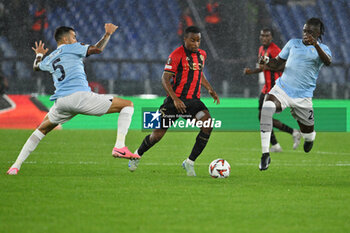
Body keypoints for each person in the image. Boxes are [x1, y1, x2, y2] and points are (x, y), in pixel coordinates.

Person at [7, 23, 140, 175]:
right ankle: (119, 146)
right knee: (127, 105)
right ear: (65, 38)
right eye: (74, 37)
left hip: (62, 102)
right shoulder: (71, 48)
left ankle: (15, 167)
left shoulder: (50, 57)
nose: (76, 40)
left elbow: (36, 66)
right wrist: (107, 34)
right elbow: (97, 49)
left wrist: (39, 54)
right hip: (80, 97)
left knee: (41, 130)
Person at [128, 26, 220, 176]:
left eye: (198, 40)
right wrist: (175, 99)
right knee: (157, 136)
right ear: (185, 39)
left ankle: (189, 162)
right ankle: (136, 155)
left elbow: (198, 73)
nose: (196, 44)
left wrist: (210, 89)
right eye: (192, 40)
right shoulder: (176, 55)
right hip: (174, 103)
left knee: (207, 125)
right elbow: (165, 79)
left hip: (193, 103)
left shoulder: (202, 55)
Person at [258, 18, 332, 171]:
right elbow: (277, 63)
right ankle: (265, 154)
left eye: (310, 32)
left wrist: (315, 45)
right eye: (305, 31)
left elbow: (328, 62)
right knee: (266, 109)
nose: (306, 34)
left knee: (308, 134)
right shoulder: (293, 43)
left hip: (303, 98)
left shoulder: (323, 48)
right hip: (282, 90)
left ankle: (309, 138)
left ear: (317, 34)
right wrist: (266, 61)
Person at [244, 28, 301, 152]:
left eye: (267, 36)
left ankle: (284, 139)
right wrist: (252, 71)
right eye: (262, 35)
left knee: (264, 117)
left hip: (275, 90)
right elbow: (263, 67)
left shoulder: (275, 50)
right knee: (263, 117)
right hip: (265, 89)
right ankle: (281, 141)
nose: (264, 38)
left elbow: (284, 66)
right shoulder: (261, 49)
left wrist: (270, 66)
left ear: (271, 37)